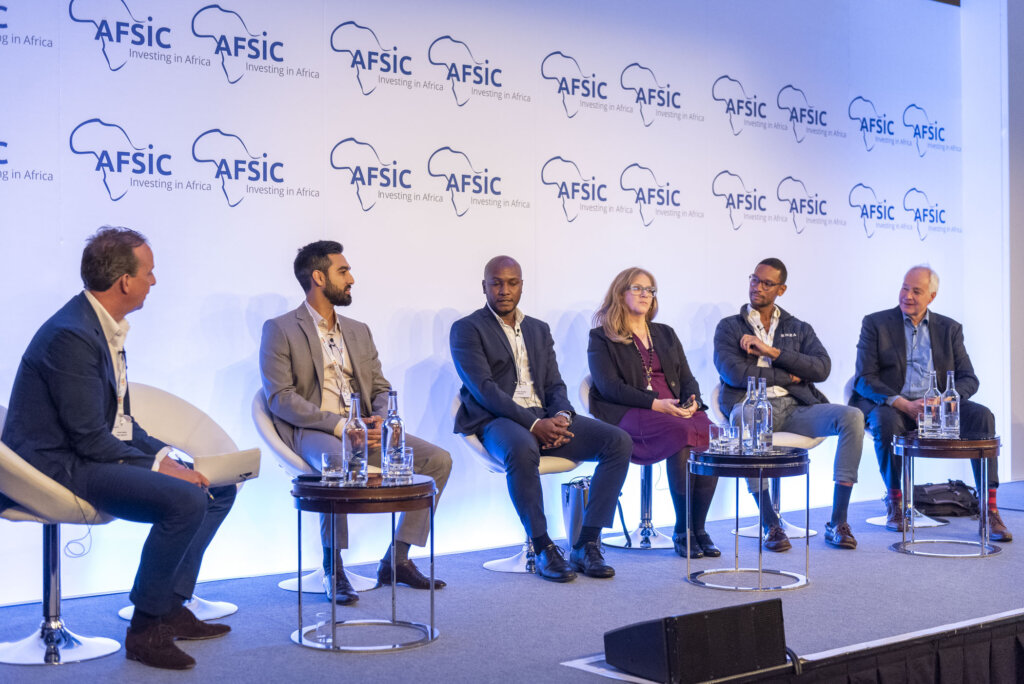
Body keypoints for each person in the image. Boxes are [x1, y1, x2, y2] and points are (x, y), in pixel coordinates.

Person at [0, 227, 236, 670]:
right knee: (185, 499)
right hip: (56, 465)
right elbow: (90, 437)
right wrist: (164, 470)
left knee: (219, 487)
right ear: (125, 281)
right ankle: (145, 630)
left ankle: (169, 604)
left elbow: (120, 423)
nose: (154, 280)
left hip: (83, 452)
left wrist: (168, 456)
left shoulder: (100, 326)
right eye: (149, 272)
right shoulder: (71, 335)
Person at [259, 240, 451, 605]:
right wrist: (339, 426)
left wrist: (379, 417)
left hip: (364, 429)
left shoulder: (358, 330)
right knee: (341, 462)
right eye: (343, 271)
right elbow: (280, 397)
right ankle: (333, 568)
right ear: (319, 277)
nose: (351, 279)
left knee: (438, 461)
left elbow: (380, 386)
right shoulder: (280, 328)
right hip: (314, 429)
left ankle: (397, 560)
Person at [450, 256, 631, 582]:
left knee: (617, 441)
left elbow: (554, 385)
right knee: (522, 447)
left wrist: (560, 417)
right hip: (496, 420)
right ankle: (543, 546)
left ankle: (586, 543)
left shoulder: (538, 329)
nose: (504, 290)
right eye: (496, 283)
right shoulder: (467, 329)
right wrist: (535, 426)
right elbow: (485, 390)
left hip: (544, 416)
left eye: (512, 283)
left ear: (522, 285)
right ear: (484, 287)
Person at [849, 266, 1011, 541]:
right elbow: (864, 378)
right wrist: (902, 403)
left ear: (931, 296)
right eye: (904, 288)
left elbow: (969, 379)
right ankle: (896, 502)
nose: (907, 296)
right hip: (895, 405)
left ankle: (989, 508)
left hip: (939, 409)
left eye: (916, 291)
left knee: (983, 416)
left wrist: (945, 400)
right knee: (885, 421)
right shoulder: (876, 323)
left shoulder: (949, 329)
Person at [713, 258, 864, 551]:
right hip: (752, 407)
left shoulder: (798, 328)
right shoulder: (729, 327)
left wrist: (772, 352)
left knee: (853, 417)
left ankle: (838, 521)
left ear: (781, 290)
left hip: (796, 408)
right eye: (754, 279)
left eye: (766, 283)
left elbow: (821, 368)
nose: (757, 287)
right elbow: (734, 374)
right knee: (745, 417)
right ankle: (770, 523)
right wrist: (789, 375)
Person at [587, 267, 719, 558]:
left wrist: (693, 402)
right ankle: (682, 529)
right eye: (637, 288)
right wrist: (656, 404)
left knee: (712, 434)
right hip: (630, 408)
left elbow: (686, 377)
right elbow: (609, 388)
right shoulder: (601, 337)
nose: (645, 294)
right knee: (682, 433)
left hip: (672, 407)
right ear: (620, 293)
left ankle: (699, 528)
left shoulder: (665, 333)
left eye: (650, 289)